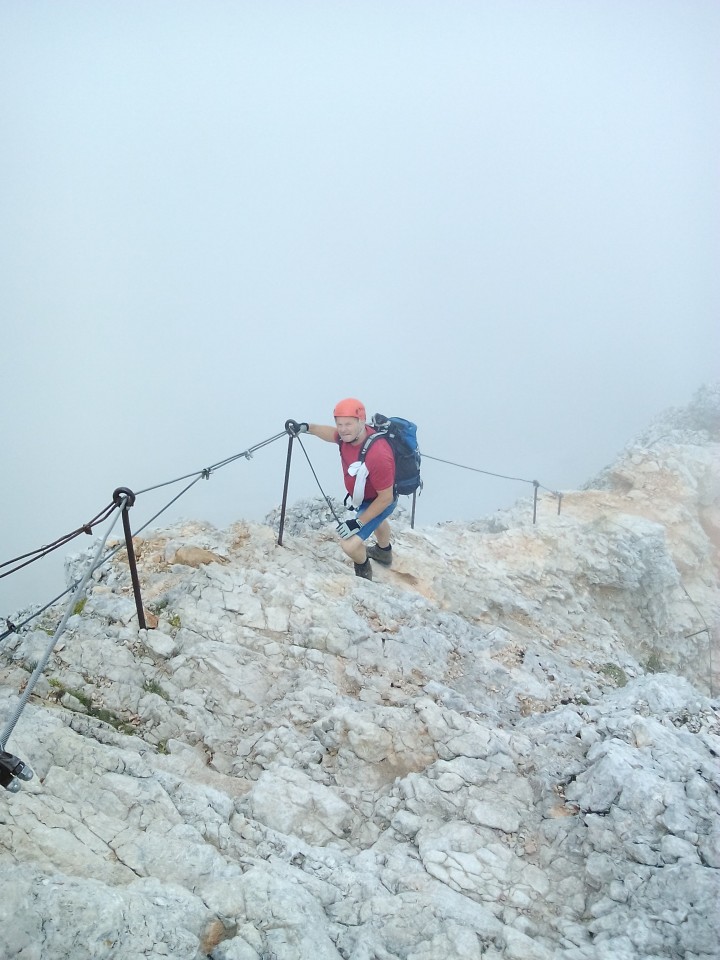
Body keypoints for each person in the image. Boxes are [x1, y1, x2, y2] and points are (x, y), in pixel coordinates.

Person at [286, 398, 397, 580]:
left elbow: (386, 498)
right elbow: (330, 434)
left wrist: (358, 522)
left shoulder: (378, 454)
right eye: (339, 424)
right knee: (378, 522)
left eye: (348, 424)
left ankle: (363, 568)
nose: (343, 429)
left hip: (381, 499)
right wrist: (306, 427)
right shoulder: (348, 437)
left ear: (362, 421)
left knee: (349, 545)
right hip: (368, 497)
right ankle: (384, 553)